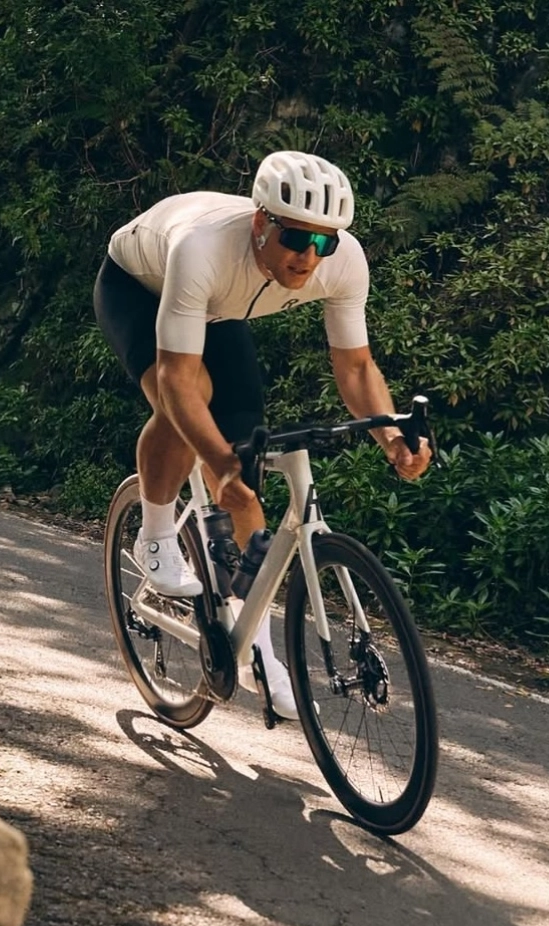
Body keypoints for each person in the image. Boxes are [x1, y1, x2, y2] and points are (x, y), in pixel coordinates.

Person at [93, 150, 431, 719]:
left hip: (219, 310)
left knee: (245, 481)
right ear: (260, 223)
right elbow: (175, 379)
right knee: (192, 399)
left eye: (323, 243)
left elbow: (355, 368)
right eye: (296, 238)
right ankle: (155, 533)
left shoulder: (345, 262)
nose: (309, 256)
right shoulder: (202, 247)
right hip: (138, 286)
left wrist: (394, 439)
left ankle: (259, 653)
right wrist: (219, 463)